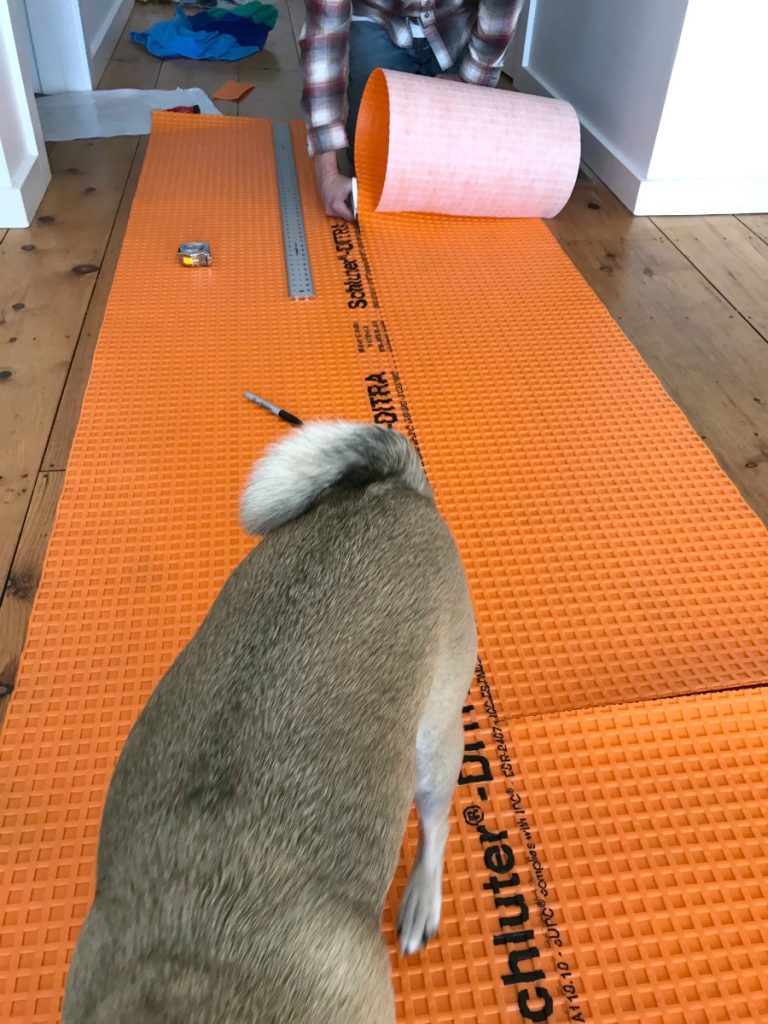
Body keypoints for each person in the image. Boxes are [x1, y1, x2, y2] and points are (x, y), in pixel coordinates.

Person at [300, 0, 524, 220]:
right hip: (379, 18)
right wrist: (328, 175)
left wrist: (469, 81)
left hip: (454, 24)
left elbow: (501, 8)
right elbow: (324, 37)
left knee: (458, 167)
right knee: (372, 167)